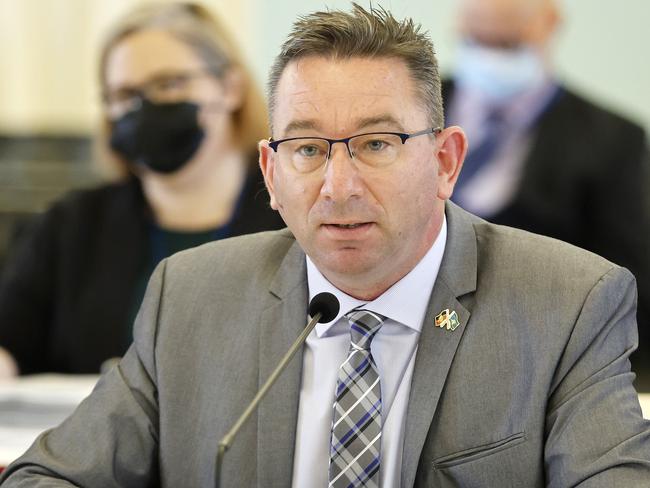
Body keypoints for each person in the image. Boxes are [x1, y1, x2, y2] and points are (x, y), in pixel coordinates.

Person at [2, 4, 649, 486]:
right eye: (307, 149)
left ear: (447, 162)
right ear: (271, 175)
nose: (338, 187)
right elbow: (48, 476)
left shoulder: (568, 305)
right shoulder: (191, 298)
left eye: (376, 144)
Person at [0, 2, 284, 376]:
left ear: (229, 87)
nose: (143, 108)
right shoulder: (73, 224)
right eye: (123, 95)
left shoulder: (290, 219)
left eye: (168, 84)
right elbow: (10, 337)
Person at [444, 0, 650, 383]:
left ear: (551, 24)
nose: (490, 58)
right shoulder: (408, 114)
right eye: (479, 41)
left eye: (508, 45)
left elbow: (630, 283)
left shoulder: (611, 140)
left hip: (540, 360)